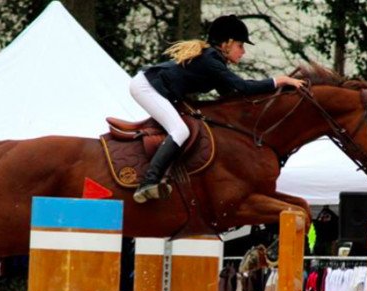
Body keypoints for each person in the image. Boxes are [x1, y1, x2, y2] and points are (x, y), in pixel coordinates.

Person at [129, 14, 306, 203]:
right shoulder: (210, 60)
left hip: (158, 88)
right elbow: (244, 87)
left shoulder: (214, 61)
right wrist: (280, 80)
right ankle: (148, 182)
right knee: (180, 130)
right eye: (240, 45)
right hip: (146, 86)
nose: (243, 52)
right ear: (227, 43)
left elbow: (234, 93)